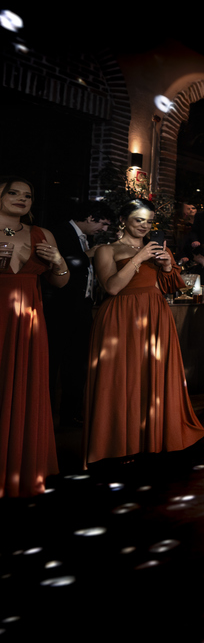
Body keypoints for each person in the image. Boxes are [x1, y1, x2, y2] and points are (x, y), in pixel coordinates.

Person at [85, 198, 204, 465]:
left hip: (155, 315)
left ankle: (155, 437)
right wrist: (139, 258)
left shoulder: (159, 249)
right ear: (123, 220)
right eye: (139, 220)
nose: (144, 226)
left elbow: (172, 287)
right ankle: (118, 443)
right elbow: (112, 287)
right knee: (121, 378)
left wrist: (166, 266)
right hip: (120, 317)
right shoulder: (106, 250)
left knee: (153, 375)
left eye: (149, 222)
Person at [1, 177, 65, 496]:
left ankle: (19, 465)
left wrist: (58, 262)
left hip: (28, 321)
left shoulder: (43, 234)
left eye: (27, 195)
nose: (21, 198)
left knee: (24, 385)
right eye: (13, 192)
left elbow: (60, 281)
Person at [44, 199, 112, 426]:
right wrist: (88, 254)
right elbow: (57, 264)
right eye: (103, 223)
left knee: (77, 364)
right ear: (90, 217)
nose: (104, 229)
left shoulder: (87, 238)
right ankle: (45, 417)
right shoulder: (58, 232)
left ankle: (71, 415)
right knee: (52, 364)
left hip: (82, 308)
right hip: (58, 309)